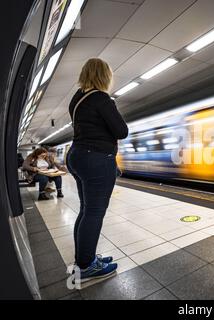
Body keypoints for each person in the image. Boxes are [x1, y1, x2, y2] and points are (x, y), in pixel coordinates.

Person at [67, 58, 128, 282]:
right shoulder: (101, 98)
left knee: (86, 211)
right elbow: (121, 131)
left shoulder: (77, 99)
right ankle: (86, 266)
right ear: (105, 76)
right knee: (94, 212)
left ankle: (84, 260)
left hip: (77, 155)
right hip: (96, 159)